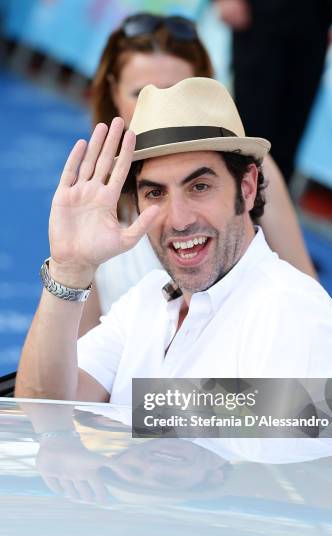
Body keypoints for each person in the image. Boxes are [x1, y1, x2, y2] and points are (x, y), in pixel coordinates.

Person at [15, 77, 332, 405]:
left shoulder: (295, 314)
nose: (178, 219)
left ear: (247, 186)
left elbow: (293, 464)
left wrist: (121, 440)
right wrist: (69, 270)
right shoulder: (146, 299)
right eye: (155, 192)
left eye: (199, 187)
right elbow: (41, 411)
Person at [81, 13, 317, 334]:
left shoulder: (251, 166)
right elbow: (80, 341)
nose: (158, 107)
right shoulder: (89, 186)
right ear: (112, 91)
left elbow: (309, 300)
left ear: (247, 185)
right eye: (141, 93)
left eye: (201, 186)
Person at [214, 0, 332, 182]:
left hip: (313, 26)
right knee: (250, 119)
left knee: (290, 129)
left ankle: (269, 203)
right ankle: (226, 190)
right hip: (259, 20)